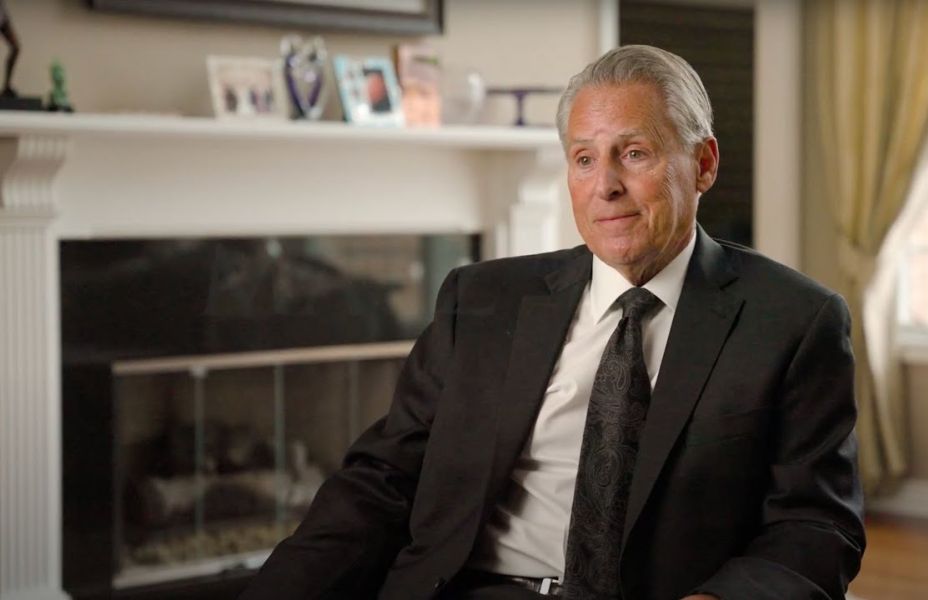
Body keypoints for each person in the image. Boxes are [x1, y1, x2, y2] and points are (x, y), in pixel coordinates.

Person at [240, 45, 865, 600]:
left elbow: (816, 526)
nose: (605, 187)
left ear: (703, 164)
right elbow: (381, 481)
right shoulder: (482, 299)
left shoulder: (793, 321)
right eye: (585, 159)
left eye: (635, 153)